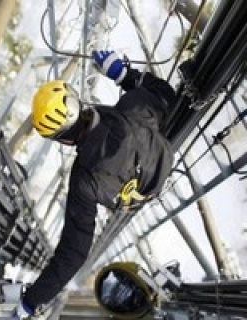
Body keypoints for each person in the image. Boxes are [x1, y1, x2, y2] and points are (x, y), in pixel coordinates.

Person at [14, 50, 176, 318]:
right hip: (161, 155)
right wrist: (124, 75)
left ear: (63, 139)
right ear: (78, 103)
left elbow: (73, 254)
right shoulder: (132, 109)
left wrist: (30, 301)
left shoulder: (82, 181)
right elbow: (165, 94)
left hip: (139, 196)